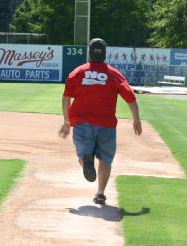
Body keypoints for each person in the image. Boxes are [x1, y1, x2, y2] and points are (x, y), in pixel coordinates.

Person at [58, 38, 142, 205]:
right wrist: (136, 119)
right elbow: (130, 98)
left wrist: (66, 121)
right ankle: (100, 193)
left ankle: (86, 161)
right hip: (106, 124)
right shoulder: (114, 74)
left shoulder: (77, 73)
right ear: (104, 53)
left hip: (82, 123)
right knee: (105, 159)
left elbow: (66, 98)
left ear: (89, 53)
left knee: (83, 156)